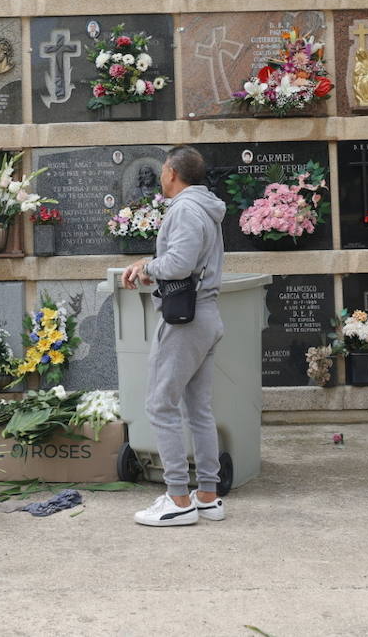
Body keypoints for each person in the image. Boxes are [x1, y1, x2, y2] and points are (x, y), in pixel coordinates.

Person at [121, 146, 227, 527]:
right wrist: (152, 269)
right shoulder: (207, 207)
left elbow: (180, 264)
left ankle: (178, 498)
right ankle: (208, 496)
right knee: (198, 410)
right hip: (207, 314)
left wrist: (145, 266)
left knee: (159, 405)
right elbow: (189, 263)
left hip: (185, 319)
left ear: (169, 172)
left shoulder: (183, 209)